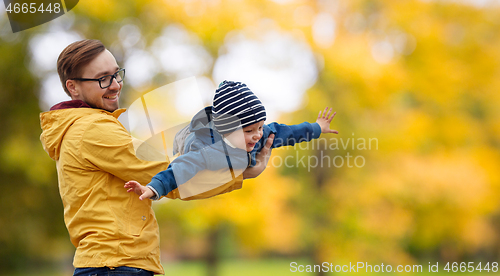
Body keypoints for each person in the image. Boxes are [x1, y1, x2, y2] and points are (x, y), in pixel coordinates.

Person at [39, 40, 272, 276]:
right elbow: (171, 175)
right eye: (103, 79)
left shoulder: (81, 128)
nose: (115, 85)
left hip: (113, 263)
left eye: (116, 74)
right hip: (116, 266)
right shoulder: (92, 130)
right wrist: (242, 171)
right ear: (73, 87)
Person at [125, 80, 338, 201]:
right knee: (188, 155)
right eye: (249, 130)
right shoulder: (206, 150)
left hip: (233, 156)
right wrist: (154, 188)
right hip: (195, 144)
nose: (257, 135)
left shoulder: (260, 134)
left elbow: (287, 132)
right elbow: (180, 168)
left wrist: (317, 127)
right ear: (227, 130)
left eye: (260, 127)